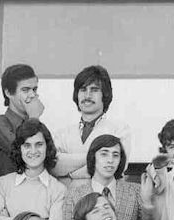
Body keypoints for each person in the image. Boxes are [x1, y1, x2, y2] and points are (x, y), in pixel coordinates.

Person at [0, 119, 66, 220]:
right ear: (19, 149)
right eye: (27, 145)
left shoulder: (58, 189)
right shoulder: (2, 184)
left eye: (39, 144)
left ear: (47, 147)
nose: (33, 151)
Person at [52, 66, 132, 194]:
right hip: (67, 200)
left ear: (105, 95)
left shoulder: (119, 130)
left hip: (105, 200)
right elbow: (54, 166)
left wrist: (69, 173)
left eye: (94, 90)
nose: (87, 95)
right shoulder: (62, 134)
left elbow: (116, 168)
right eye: (83, 89)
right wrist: (94, 156)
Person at [61, 134, 146, 220]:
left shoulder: (136, 191)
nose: (110, 160)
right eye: (104, 154)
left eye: (115, 155)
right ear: (93, 157)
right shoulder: (74, 195)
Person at [0, 64, 44, 178]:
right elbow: (26, 152)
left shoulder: (37, 125)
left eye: (34, 89)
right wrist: (34, 117)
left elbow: (48, 159)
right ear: (8, 93)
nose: (32, 95)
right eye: (25, 90)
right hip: (6, 188)